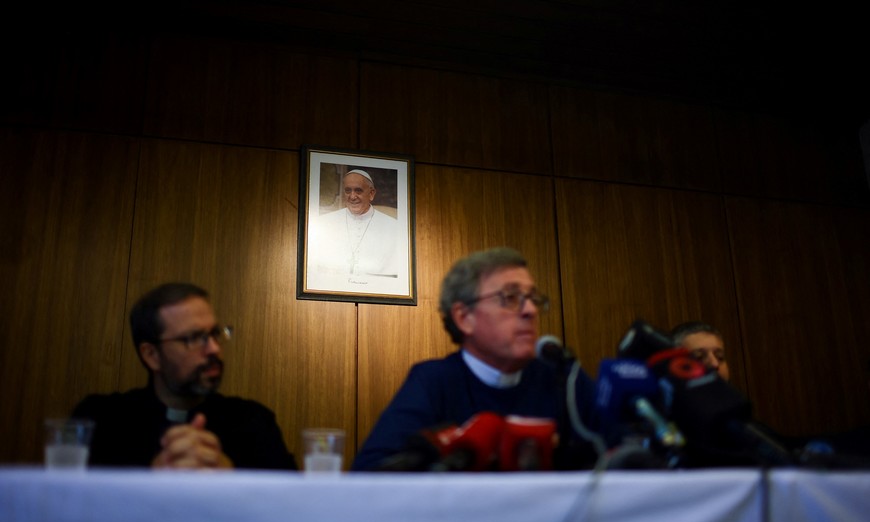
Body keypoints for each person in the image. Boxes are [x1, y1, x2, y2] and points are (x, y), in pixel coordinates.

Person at [351, 247, 599, 471]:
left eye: (533, 298)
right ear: (464, 317)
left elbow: (623, 458)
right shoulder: (434, 382)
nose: (530, 310)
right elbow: (369, 476)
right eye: (510, 297)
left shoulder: (564, 380)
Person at [72, 283, 297, 470]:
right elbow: (66, 508)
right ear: (152, 355)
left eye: (214, 334)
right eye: (193, 338)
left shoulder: (255, 423)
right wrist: (149, 482)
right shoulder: (99, 421)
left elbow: (292, 510)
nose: (214, 349)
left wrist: (231, 479)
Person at [308, 169, 399, 278]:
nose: (352, 196)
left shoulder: (393, 227)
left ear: (371, 193)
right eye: (347, 190)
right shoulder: (324, 223)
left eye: (358, 190)